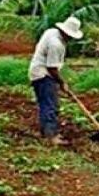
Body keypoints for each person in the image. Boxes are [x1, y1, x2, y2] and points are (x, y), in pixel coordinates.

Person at [29, 16, 84, 146]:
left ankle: (46, 132)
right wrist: (62, 82)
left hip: (37, 72)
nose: (70, 39)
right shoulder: (56, 44)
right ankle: (51, 136)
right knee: (51, 105)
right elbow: (52, 68)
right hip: (43, 75)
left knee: (45, 104)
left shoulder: (51, 32)